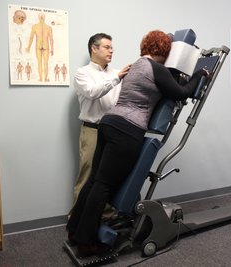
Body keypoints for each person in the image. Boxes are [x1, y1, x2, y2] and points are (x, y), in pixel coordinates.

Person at [67, 29, 209, 257]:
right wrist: (199, 73)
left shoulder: (136, 65)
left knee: (94, 181)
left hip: (108, 123)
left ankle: (74, 231)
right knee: (103, 186)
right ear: (164, 52)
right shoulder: (157, 69)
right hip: (126, 130)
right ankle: (86, 242)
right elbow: (182, 93)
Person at [72, 33, 131, 209]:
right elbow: (92, 92)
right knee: (87, 174)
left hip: (113, 131)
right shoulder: (82, 73)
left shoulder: (117, 73)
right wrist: (117, 78)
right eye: (107, 47)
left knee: (108, 176)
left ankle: (102, 216)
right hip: (92, 131)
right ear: (94, 48)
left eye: (112, 48)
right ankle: (75, 218)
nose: (111, 51)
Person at [26, 12, 54, 82]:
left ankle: (43, 78)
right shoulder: (47, 27)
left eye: (42, 17)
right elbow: (31, 37)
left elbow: (51, 39)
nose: (41, 18)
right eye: (41, 17)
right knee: (43, 63)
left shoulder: (37, 27)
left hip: (42, 46)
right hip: (44, 46)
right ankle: (42, 78)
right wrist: (28, 47)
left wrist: (52, 49)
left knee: (42, 63)